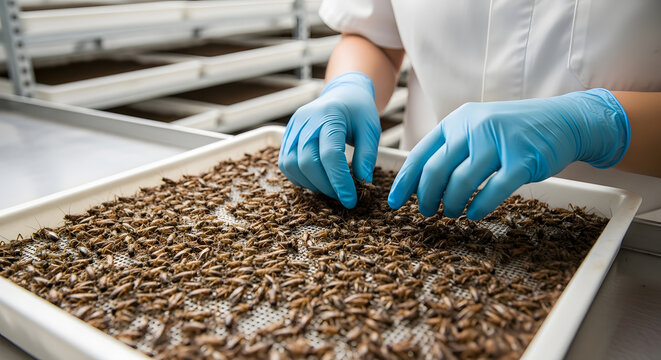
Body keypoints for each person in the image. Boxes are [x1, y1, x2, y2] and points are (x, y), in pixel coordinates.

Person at [279, 0, 661, 220]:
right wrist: (348, 84)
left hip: (629, 228)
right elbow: (372, 34)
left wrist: (596, 125)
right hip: (423, 208)